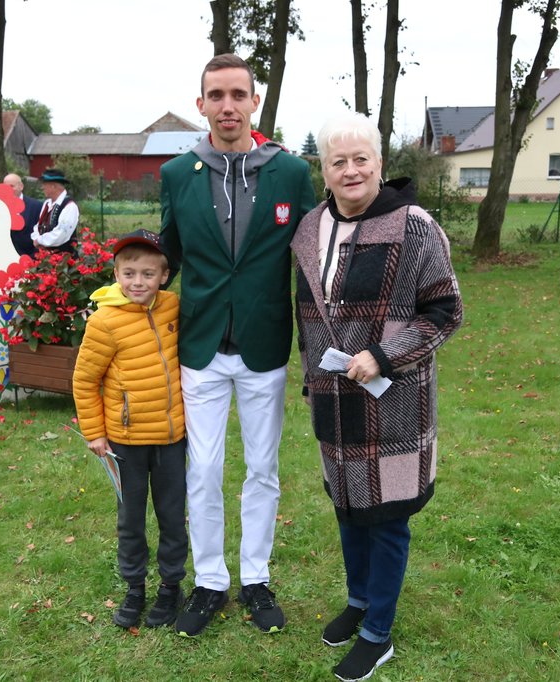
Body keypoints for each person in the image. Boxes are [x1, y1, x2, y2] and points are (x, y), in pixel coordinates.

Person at [290, 112, 463, 681]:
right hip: (334, 401)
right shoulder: (310, 229)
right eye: (337, 161)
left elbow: (445, 312)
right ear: (324, 171)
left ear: (380, 164)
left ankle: (377, 633)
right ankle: (359, 600)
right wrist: (311, 379)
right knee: (348, 508)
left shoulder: (414, 226)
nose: (351, 170)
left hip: (394, 403)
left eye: (360, 158)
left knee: (386, 518)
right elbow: (308, 315)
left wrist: (384, 355)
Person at [159, 53, 316, 638]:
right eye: (216, 95)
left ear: (255, 102)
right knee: (202, 470)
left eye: (238, 95)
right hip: (200, 345)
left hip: (263, 344)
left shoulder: (291, 173)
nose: (228, 106)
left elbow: (314, 258)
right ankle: (209, 582)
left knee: (263, 468)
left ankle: (255, 577)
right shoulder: (177, 174)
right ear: (201, 104)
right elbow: (167, 257)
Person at [72, 228, 188, 630]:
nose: (138, 282)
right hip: (125, 442)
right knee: (131, 519)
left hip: (171, 439)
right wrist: (94, 432)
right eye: (129, 273)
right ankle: (135, 586)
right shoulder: (104, 322)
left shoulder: (173, 307)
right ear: (116, 274)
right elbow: (85, 380)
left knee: (172, 515)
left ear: (164, 276)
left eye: (148, 274)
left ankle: (171, 586)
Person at [33, 168, 79, 253]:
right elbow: (38, 225)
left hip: (65, 258)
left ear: (53, 186)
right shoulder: (47, 203)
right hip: (46, 256)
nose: (42, 187)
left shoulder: (69, 206)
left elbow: (61, 234)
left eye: (44, 184)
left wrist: (40, 240)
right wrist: (36, 238)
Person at [3, 173, 41, 257]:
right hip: (4, 257)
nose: (8, 190)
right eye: (6, 187)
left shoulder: (36, 206)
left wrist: (33, 257)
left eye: (12, 186)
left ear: (21, 186)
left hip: (29, 257)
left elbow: (41, 232)